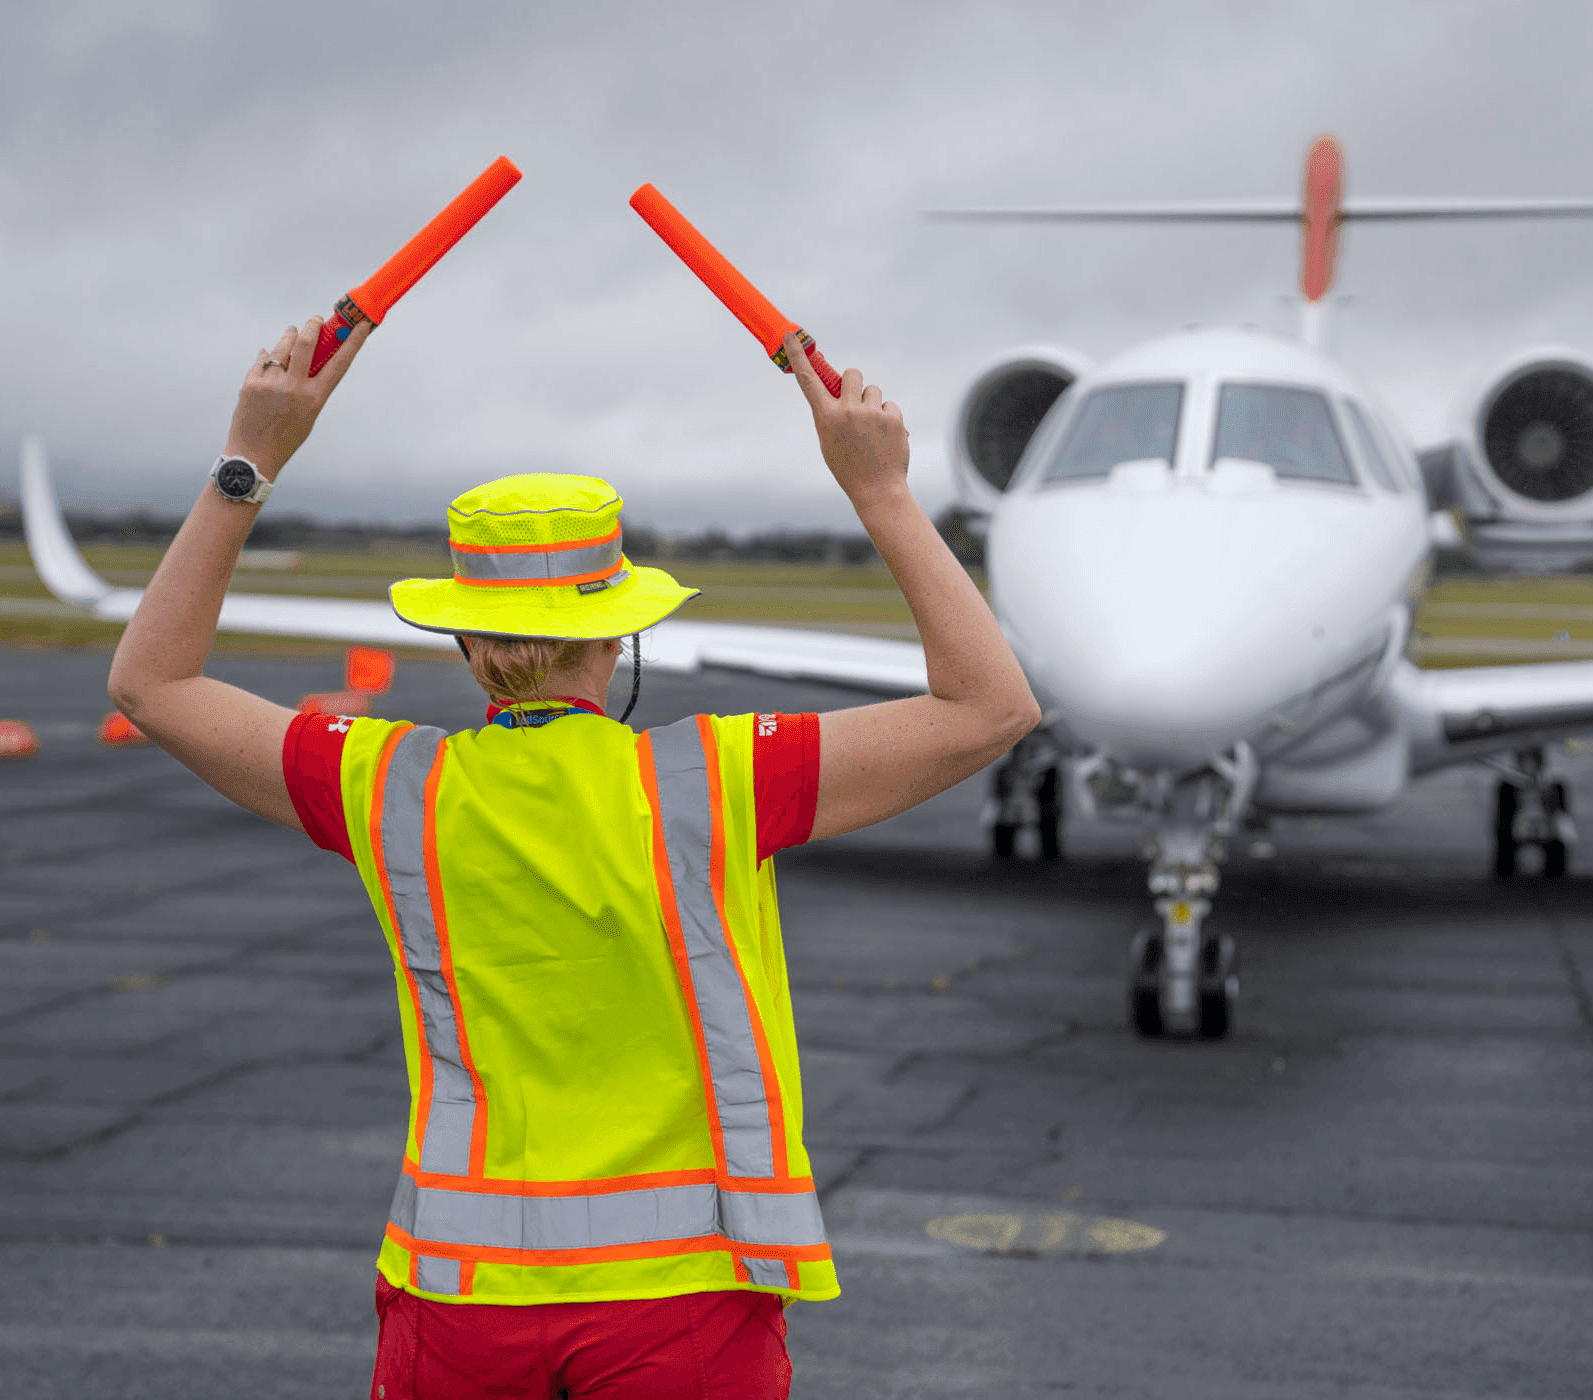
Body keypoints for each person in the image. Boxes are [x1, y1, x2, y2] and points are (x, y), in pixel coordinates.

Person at [106, 315, 1041, 1398]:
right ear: (618, 636)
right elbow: (992, 704)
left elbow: (152, 684)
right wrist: (878, 486)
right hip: (681, 1300)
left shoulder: (389, 785)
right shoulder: (720, 778)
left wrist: (250, 457)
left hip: (457, 1299)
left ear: (464, 642)